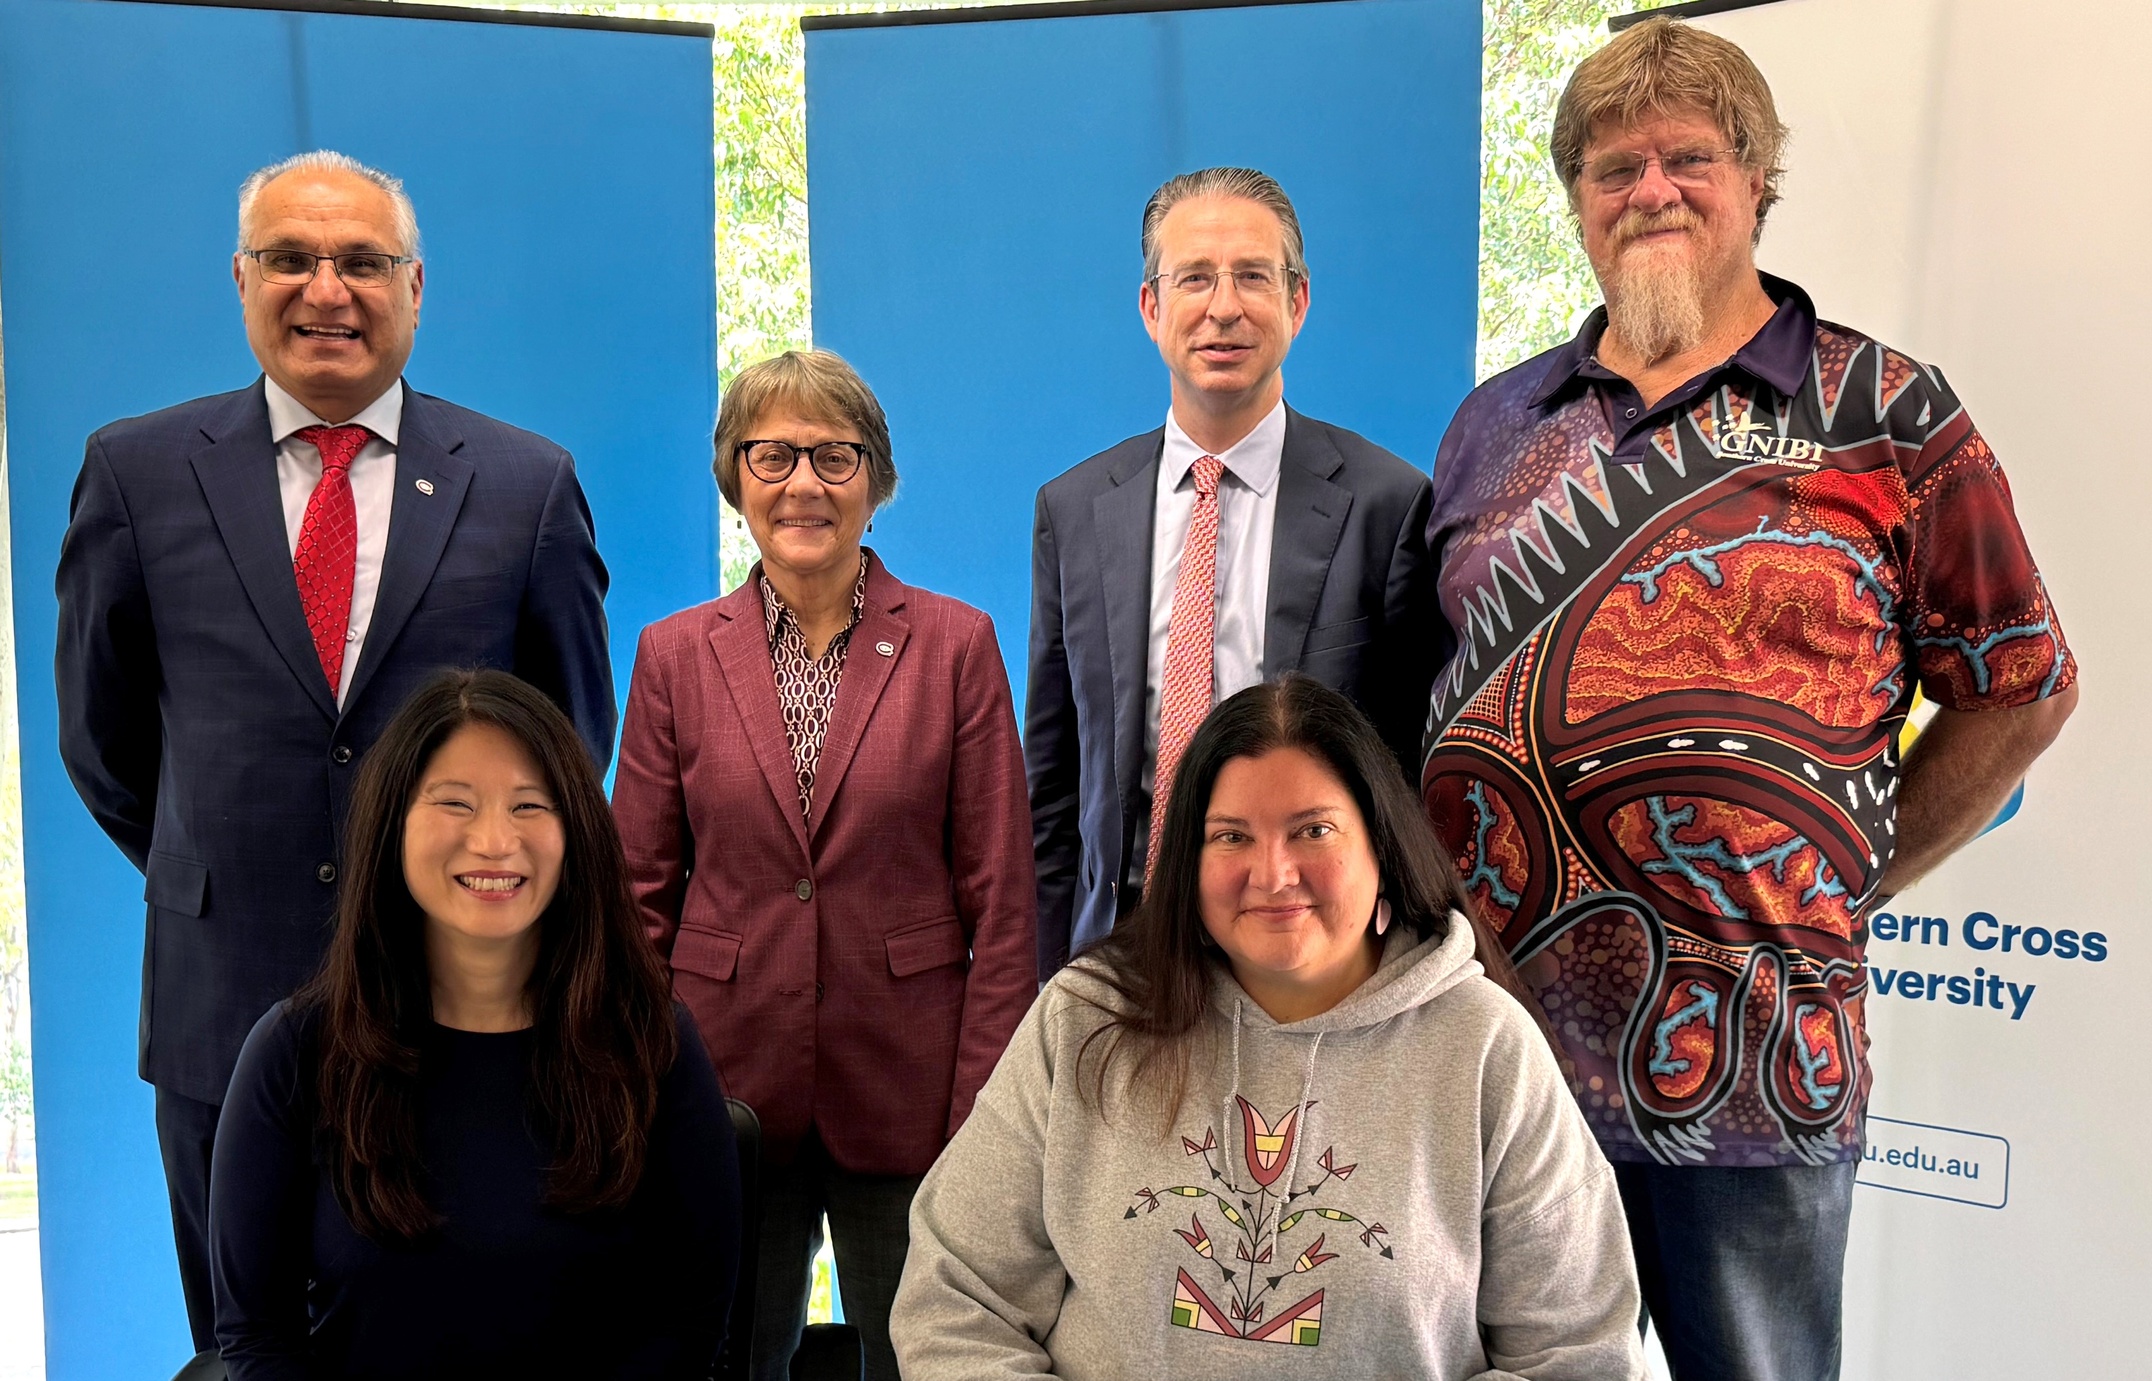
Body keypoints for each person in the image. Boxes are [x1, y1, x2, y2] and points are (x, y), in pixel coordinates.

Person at [1417, 19, 2078, 1380]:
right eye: (1613, 168)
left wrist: (1857, 869)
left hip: (1756, 1077)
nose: (1650, 190)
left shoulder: (1885, 413)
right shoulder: (1497, 421)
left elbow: (2022, 683)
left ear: (1758, 179)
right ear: (1578, 205)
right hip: (1499, 1055)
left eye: (1688, 158)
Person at [52, 149, 613, 1354]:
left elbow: (569, 745)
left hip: (454, 1015)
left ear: (416, 288)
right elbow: (103, 741)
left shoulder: (524, 485)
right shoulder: (135, 474)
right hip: (219, 1000)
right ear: (241, 280)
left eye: (362, 261)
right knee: (240, 1344)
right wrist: (211, 854)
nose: (327, 290)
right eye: (292, 260)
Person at [892, 675, 1643, 1379]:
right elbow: (954, 1297)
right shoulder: (1086, 1019)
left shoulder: (1487, 1047)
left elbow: (1579, 1354)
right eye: (1231, 836)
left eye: (1312, 829)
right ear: (1189, 861)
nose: (1273, 873)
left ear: (1383, 846)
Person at [611, 349, 1036, 1381]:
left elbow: (1003, 903)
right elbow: (635, 898)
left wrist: (978, 1111)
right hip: (722, 1086)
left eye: (835, 455)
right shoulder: (673, 655)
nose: (803, 482)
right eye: (772, 455)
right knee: (721, 1360)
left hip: (910, 1092)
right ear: (735, 477)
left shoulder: (954, 643)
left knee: (925, 1363)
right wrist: (641, 1085)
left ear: (876, 481)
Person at [207, 669, 738, 1379]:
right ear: (393, 822)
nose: (494, 841)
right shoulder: (294, 1052)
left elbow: (691, 1322)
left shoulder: (653, 1045)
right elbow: (258, 1337)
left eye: (529, 805)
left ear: (574, 832)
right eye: (455, 802)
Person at [1027, 166, 1440, 979]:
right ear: (1151, 307)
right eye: (1194, 278)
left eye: (1253, 275)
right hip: (1125, 944)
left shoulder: (1388, 504)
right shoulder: (1073, 510)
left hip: (1309, 944)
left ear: (1298, 301)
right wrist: (1050, 978)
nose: (1224, 306)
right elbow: (1052, 789)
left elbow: (1410, 775)